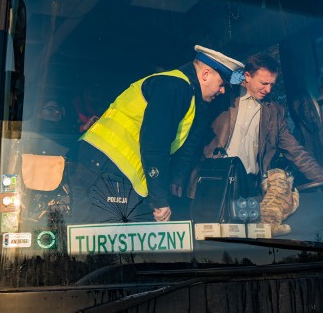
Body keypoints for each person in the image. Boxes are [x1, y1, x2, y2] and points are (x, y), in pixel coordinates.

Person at [70, 45, 243, 223]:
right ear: (206, 74)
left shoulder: (183, 89)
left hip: (99, 163)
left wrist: (175, 177)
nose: (222, 91)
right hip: (106, 166)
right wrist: (160, 200)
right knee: (106, 237)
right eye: (221, 84)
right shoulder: (175, 87)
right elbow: (155, 144)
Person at [191, 53, 323, 198]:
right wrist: (178, 178)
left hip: (249, 189)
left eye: (272, 84)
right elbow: (194, 138)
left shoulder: (275, 113)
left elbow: (296, 152)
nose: (268, 90)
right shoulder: (222, 98)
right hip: (212, 182)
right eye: (264, 83)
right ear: (247, 76)